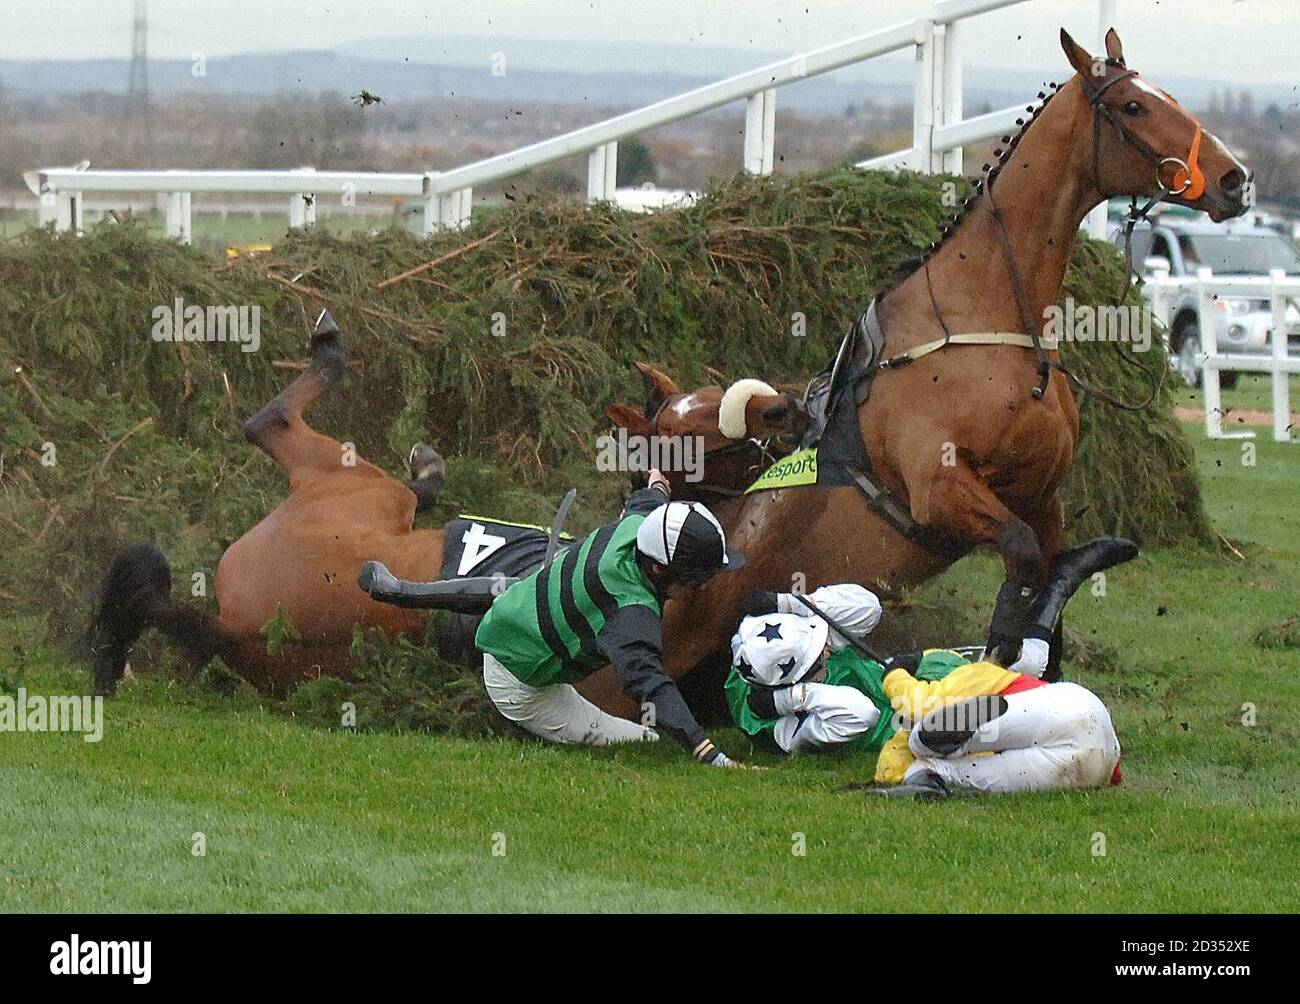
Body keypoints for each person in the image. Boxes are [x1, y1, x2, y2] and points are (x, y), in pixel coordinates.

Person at [726, 538, 1135, 797]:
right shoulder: (780, 724)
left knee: (998, 677)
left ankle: (1057, 585)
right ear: (793, 680)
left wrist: (790, 604)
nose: (828, 654)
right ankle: (1060, 583)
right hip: (909, 710)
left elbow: (865, 608)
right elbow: (860, 713)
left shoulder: (766, 647)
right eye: (818, 662)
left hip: (929, 692)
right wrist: (797, 697)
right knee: (1018, 671)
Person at [475, 468, 749, 766]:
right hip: (518, 686)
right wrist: (709, 752)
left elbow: (647, 499)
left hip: (512, 622)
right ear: (658, 569)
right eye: (697, 578)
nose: (704, 586)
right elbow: (650, 683)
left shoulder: (635, 527)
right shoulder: (628, 611)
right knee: (644, 741)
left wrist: (657, 481)